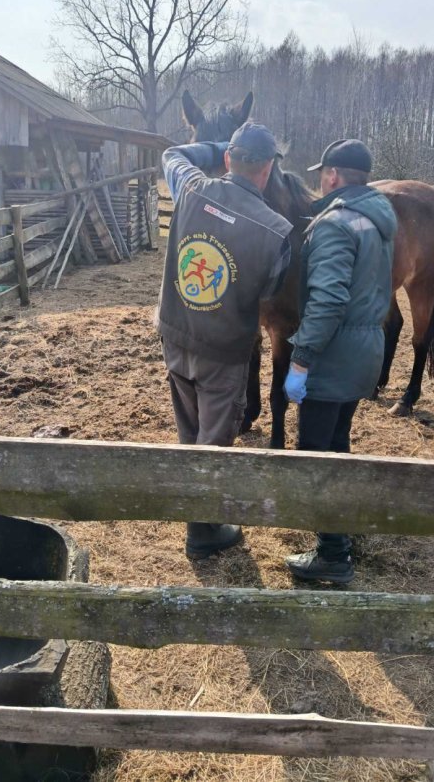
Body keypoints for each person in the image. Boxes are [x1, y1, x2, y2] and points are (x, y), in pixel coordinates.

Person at [157, 123, 293, 560]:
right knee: (214, 440)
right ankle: (202, 531)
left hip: (176, 336)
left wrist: (216, 146)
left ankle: (198, 510)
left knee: (189, 426)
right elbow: (268, 294)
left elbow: (173, 153)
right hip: (223, 350)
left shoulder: (191, 187)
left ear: (230, 160)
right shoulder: (278, 232)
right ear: (269, 169)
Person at [283, 139, 397, 584]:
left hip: (333, 355)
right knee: (338, 444)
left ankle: (333, 553)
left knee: (315, 456)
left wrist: (302, 359)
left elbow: (328, 301)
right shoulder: (378, 218)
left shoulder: (335, 224)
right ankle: (342, 528)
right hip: (366, 349)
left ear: (331, 175)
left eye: (321, 174)